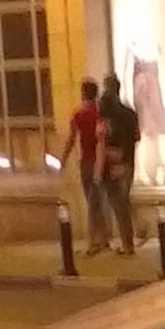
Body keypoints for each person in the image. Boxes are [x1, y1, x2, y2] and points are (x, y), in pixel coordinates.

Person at [62, 76, 112, 256]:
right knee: (99, 200)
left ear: (83, 93)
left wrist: (64, 158)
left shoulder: (79, 114)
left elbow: (71, 138)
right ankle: (103, 238)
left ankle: (91, 243)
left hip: (87, 161)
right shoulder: (101, 114)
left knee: (91, 202)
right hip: (103, 161)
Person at [94, 71, 140, 257]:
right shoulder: (130, 113)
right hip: (128, 161)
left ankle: (127, 243)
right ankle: (129, 241)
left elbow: (101, 139)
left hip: (111, 162)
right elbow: (137, 136)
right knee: (123, 202)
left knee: (118, 204)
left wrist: (98, 170)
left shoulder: (105, 112)